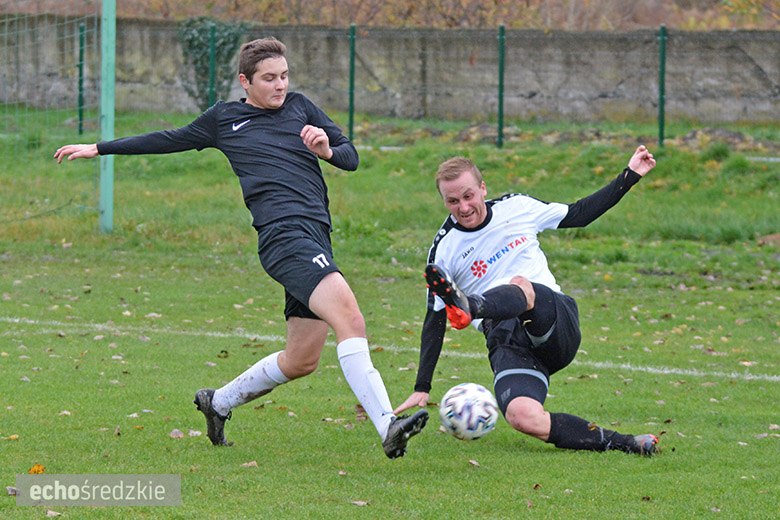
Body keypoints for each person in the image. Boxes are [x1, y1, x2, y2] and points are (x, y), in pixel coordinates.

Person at [54, 37, 427, 459]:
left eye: (284, 76)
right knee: (351, 318)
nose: (280, 85)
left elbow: (350, 156)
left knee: (302, 359)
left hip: (316, 235)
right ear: (245, 81)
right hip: (284, 237)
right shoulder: (224, 119)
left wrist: (326, 150)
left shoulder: (302, 107)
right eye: (269, 78)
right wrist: (100, 148)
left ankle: (218, 402)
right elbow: (168, 138)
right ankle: (387, 425)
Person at [394, 146, 659, 455]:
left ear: (483, 188)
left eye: (468, 196)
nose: (463, 207)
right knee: (522, 416)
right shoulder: (444, 250)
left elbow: (579, 214)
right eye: (452, 201)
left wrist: (630, 176)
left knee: (521, 286)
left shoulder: (517, 207)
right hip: (507, 340)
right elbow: (435, 319)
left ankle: (471, 305)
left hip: (554, 320)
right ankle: (627, 443)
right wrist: (422, 387)